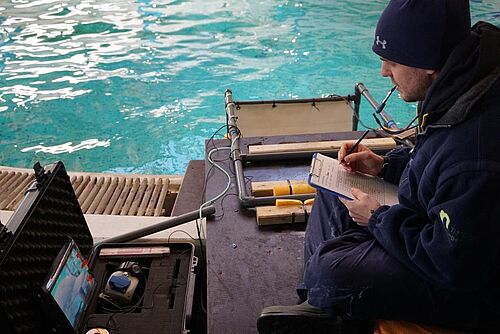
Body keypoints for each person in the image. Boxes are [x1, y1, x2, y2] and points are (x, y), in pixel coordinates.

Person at [257, 0, 500, 333]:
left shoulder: (476, 155)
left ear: (427, 63)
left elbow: (453, 262)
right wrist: (385, 166)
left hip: (471, 288)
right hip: (435, 227)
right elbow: (433, 161)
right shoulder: (461, 83)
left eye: (391, 62)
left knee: (332, 271)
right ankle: (318, 307)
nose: (384, 72)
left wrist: (377, 218)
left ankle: (328, 300)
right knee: (336, 188)